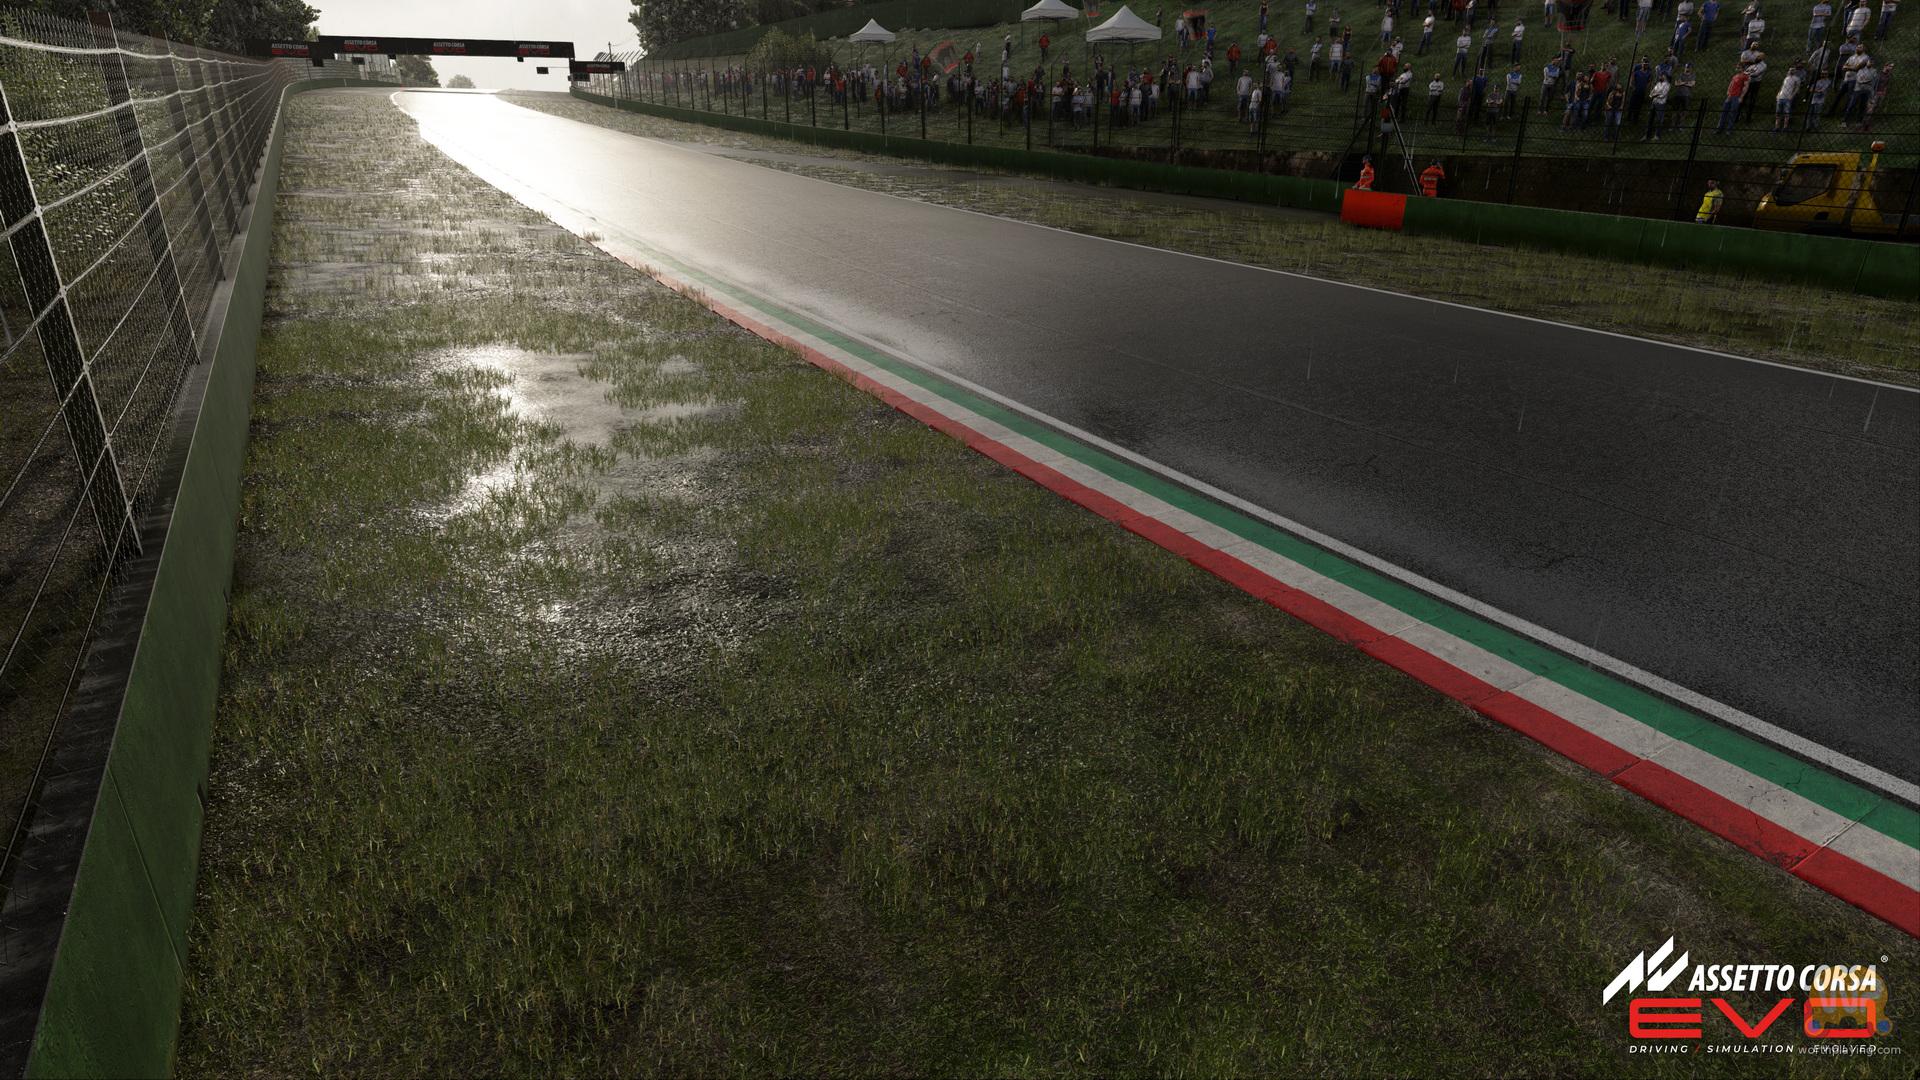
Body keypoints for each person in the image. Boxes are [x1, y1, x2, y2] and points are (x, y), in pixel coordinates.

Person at [1717, 63, 1749, 129]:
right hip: (1730, 96)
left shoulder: (1745, 76)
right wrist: (1728, 92)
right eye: (1737, 67)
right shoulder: (1735, 76)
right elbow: (1731, 84)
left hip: (1736, 97)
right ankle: (1719, 127)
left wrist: (1741, 97)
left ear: (1742, 68)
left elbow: (1746, 87)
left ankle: (1729, 129)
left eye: (1738, 68)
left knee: (1732, 113)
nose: (1736, 69)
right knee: (1724, 112)